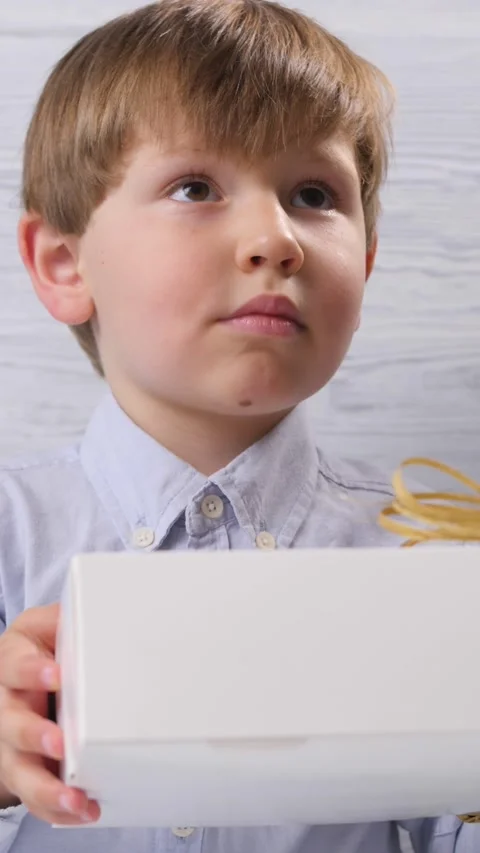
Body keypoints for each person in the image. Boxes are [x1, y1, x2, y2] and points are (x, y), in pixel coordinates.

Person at [0, 0, 471, 850]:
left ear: (363, 268)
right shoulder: (10, 533)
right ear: (65, 265)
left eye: (314, 194)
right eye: (194, 187)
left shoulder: (430, 551)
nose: (274, 237)